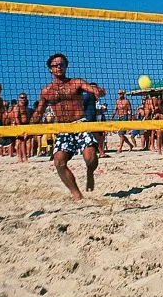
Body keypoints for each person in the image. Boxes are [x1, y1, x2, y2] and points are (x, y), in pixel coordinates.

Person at [30, 53, 106, 200]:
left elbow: (92, 89)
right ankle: (76, 194)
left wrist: (98, 91)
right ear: (50, 69)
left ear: (65, 66)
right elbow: (39, 112)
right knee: (58, 161)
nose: (59, 67)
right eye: (55, 65)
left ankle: (90, 172)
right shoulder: (46, 91)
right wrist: (28, 127)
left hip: (80, 124)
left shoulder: (76, 83)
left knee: (90, 158)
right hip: (63, 128)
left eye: (61, 64)